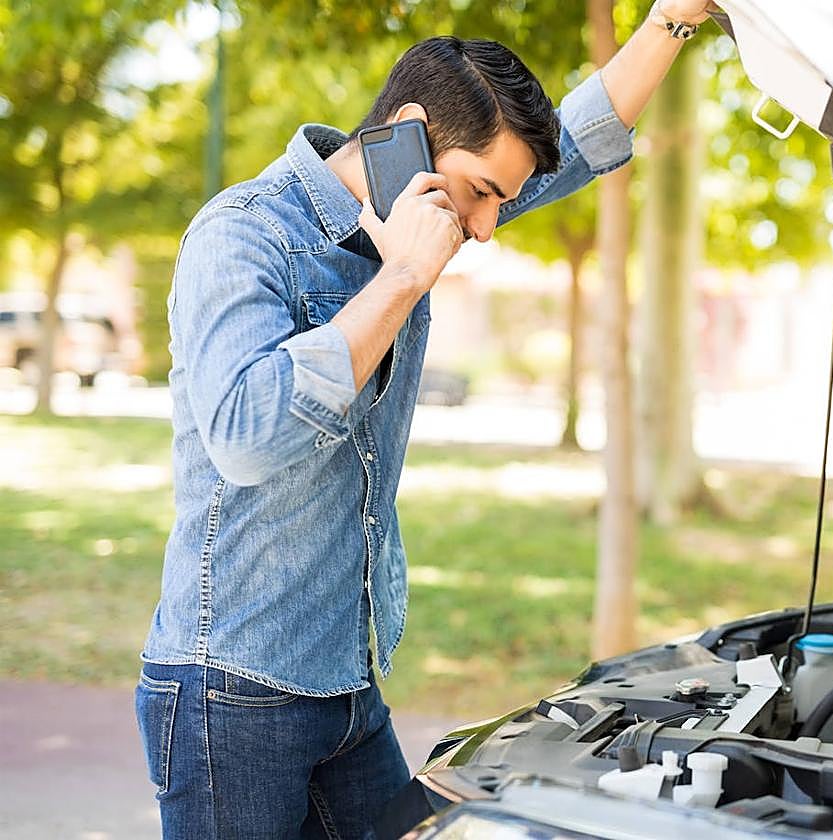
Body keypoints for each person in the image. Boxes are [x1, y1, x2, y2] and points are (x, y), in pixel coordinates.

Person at [133, 2, 716, 837]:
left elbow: (579, 142)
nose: (485, 228)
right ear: (407, 131)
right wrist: (401, 277)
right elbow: (246, 437)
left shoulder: (432, 206)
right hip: (232, 689)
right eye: (483, 192)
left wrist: (671, 20)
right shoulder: (244, 235)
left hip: (345, 677)